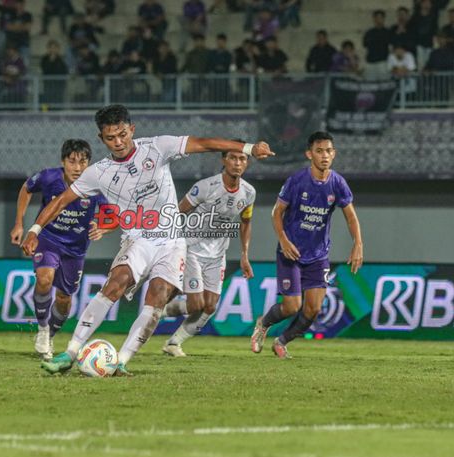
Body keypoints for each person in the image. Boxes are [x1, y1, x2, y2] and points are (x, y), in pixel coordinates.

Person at [22, 104, 274, 375]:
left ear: (132, 129)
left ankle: (121, 361)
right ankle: (70, 352)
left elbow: (202, 143)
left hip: (171, 242)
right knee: (115, 284)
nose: (118, 142)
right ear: (101, 139)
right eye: (110, 138)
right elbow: (61, 200)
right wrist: (35, 229)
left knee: (158, 298)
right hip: (137, 239)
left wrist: (248, 148)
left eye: (122, 134)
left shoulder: (157, 147)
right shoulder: (99, 172)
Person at [251, 131, 363, 359]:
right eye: (319, 151)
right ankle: (263, 324)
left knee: (313, 309)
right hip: (290, 252)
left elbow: (351, 216)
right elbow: (277, 212)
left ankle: (282, 342)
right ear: (309, 154)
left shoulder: (337, 183)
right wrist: (283, 240)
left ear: (334, 154)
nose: (325, 156)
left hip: (318, 254)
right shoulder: (297, 181)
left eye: (329, 151)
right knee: (292, 306)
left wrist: (358, 243)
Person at [10, 140, 107, 360]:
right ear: (63, 162)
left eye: (83, 162)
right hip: (47, 238)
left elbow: (114, 211)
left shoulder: (96, 184)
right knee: (44, 279)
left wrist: (103, 227)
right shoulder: (49, 177)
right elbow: (26, 188)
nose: (77, 167)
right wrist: (19, 222)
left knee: (64, 299)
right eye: (72, 162)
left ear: (89, 163)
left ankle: (50, 335)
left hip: (76, 248)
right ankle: (43, 330)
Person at [161, 144, 256, 357]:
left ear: (246, 163)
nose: (238, 163)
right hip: (192, 249)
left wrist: (244, 255)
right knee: (196, 304)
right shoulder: (205, 186)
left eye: (242, 159)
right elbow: (179, 211)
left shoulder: (249, 192)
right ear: (224, 160)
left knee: (210, 307)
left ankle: (174, 343)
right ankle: (160, 311)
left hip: (217, 256)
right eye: (233, 158)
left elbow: (246, 222)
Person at [363, 10, 391, 77]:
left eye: (380, 18)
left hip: (383, 62)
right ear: (374, 19)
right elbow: (365, 45)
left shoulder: (388, 32)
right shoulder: (369, 33)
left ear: (384, 19)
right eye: (376, 18)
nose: (378, 20)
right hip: (370, 62)